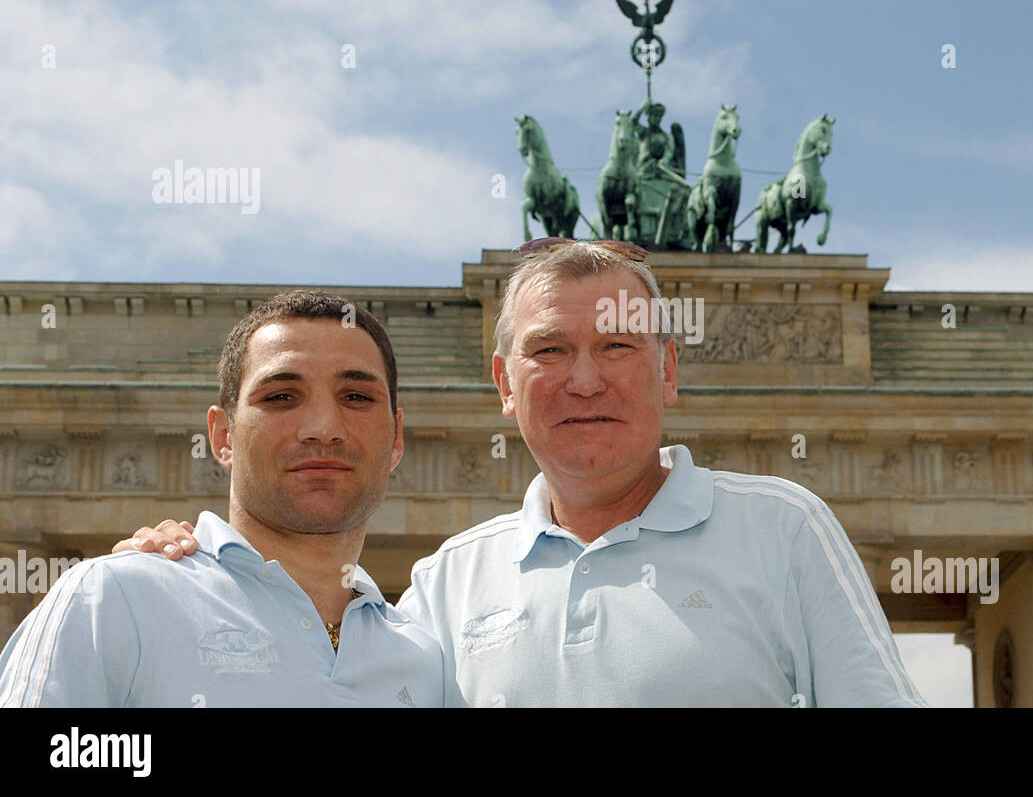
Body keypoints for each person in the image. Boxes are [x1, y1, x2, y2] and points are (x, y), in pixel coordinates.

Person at [117, 243, 926, 707]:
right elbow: (312, 663)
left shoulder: (782, 529)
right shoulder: (444, 585)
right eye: (549, 351)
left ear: (667, 371)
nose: (584, 380)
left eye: (617, 347)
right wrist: (190, 582)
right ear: (504, 384)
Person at [0, 291, 442, 707]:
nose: (323, 427)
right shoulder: (111, 600)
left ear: (397, 438)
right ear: (222, 435)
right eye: (282, 396)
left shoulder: (425, 659)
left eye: (357, 397)